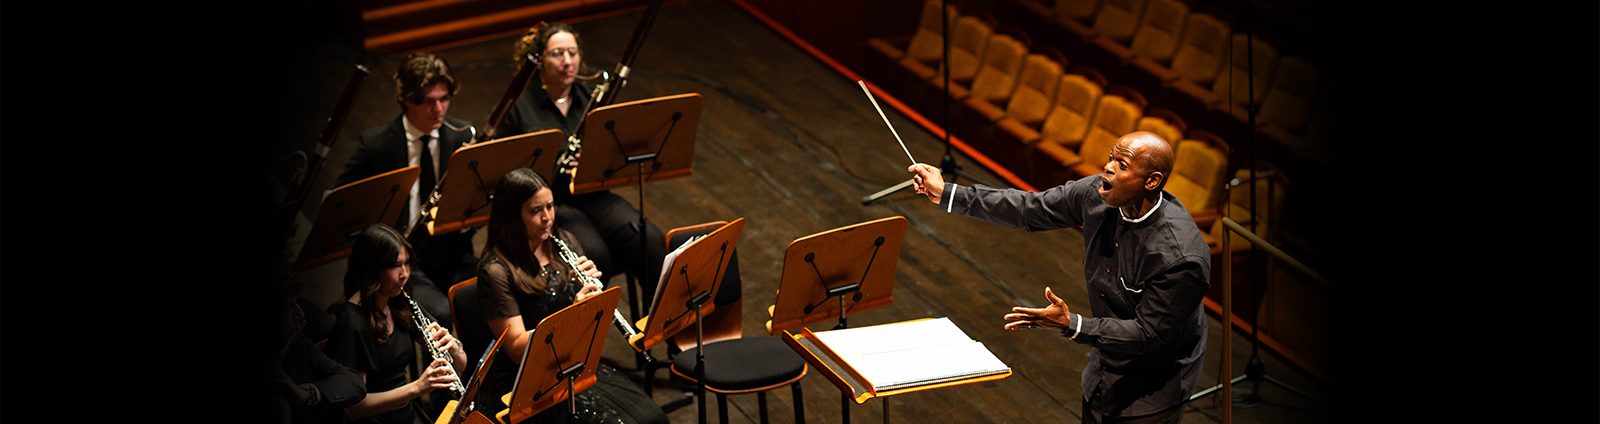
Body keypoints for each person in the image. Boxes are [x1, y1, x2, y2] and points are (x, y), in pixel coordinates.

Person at [908, 132, 1210, 423]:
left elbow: (1148, 334)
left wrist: (1073, 324)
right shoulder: (1096, 193)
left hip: (1153, 385)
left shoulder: (1180, 259)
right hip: (1104, 367)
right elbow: (1030, 208)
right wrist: (948, 192)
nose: (1108, 167)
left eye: (1123, 165)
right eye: (1110, 158)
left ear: (1152, 181)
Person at [473, 168, 667, 423]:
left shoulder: (563, 241)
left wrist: (593, 301)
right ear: (512, 216)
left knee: (653, 418)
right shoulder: (495, 271)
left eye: (550, 207)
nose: (547, 218)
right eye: (535, 211)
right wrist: (575, 314)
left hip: (570, 363)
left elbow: (588, 327)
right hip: (527, 382)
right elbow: (518, 349)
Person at [499, 22, 667, 300]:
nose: (567, 62)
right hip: (554, 204)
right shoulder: (517, 107)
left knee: (649, 239)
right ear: (539, 59)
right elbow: (506, 170)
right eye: (557, 54)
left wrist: (598, 158)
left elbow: (615, 150)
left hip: (595, 195)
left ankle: (660, 332)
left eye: (572, 53)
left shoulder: (592, 98)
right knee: (595, 254)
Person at [337, 52, 476, 329]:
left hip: (452, 253)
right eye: (427, 101)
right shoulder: (376, 145)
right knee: (442, 314)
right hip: (403, 264)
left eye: (444, 99)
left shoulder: (462, 136)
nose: (439, 110)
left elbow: (474, 201)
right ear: (406, 100)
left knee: (487, 297)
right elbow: (341, 204)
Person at [325, 224, 470, 424]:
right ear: (373, 268)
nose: (405, 274)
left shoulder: (398, 301)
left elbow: (461, 365)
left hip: (406, 414)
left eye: (407, 263)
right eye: (395, 265)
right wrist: (417, 388)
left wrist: (453, 347)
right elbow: (353, 408)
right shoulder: (353, 323)